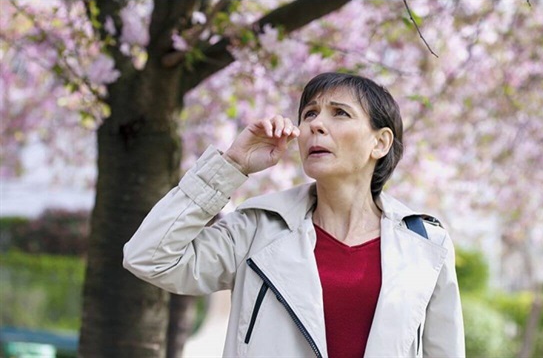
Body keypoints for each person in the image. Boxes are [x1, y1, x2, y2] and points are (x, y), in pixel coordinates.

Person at [123, 72, 465, 357]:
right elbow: (148, 257)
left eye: (340, 113)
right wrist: (230, 166)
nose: (316, 125)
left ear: (381, 142)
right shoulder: (257, 229)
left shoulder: (426, 244)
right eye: (310, 113)